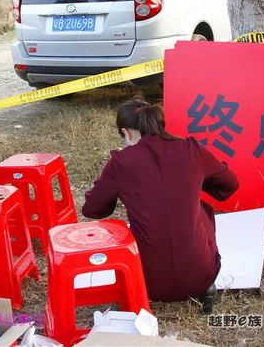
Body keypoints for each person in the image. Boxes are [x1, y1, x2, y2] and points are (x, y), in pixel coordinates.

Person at [82, 98, 239, 312]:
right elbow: (230, 184)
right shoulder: (193, 150)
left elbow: (92, 209)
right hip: (201, 276)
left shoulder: (121, 162)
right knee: (200, 209)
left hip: (148, 281)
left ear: (126, 133)